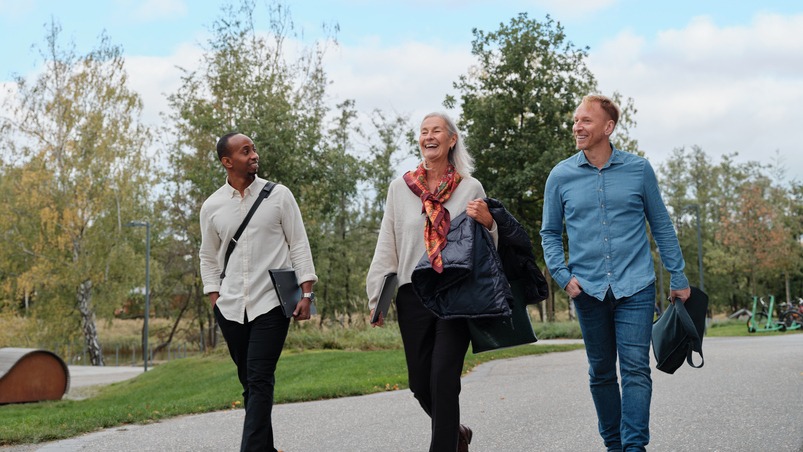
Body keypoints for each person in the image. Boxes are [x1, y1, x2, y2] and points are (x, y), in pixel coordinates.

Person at [540, 94, 691, 451]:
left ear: (608, 127)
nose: (577, 126)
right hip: (586, 288)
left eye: (586, 121)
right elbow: (549, 232)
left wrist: (678, 276)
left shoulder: (639, 170)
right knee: (602, 372)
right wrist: (562, 275)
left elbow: (662, 226)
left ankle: (634, 447)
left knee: (636, 369)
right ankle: (614, 445)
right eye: (576, 120)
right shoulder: (560, 176)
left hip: (635, 286)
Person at [366, 112, 496, 452]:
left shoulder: (470, 187)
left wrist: (490, 222)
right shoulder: (400, 187)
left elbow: (486, 248)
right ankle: (457, 434)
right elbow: (388, 244)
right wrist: (377, 295)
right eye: (424, 131)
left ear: (451, 139)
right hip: (413, 293)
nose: (429, 136)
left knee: (443, 378)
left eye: (436, 130)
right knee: (420, 383)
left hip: (456, 294)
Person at [200, 132, 317, 452]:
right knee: (251, 385)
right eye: (245, 151)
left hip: (271, 303)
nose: (254, 155)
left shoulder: (279, 196)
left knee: (260, 378)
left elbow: (299, 244)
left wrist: (307, 295)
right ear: (227, 162)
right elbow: (207, 256)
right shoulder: (212, 206)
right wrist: (214, 296)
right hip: (231, 306)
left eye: (254, 149)